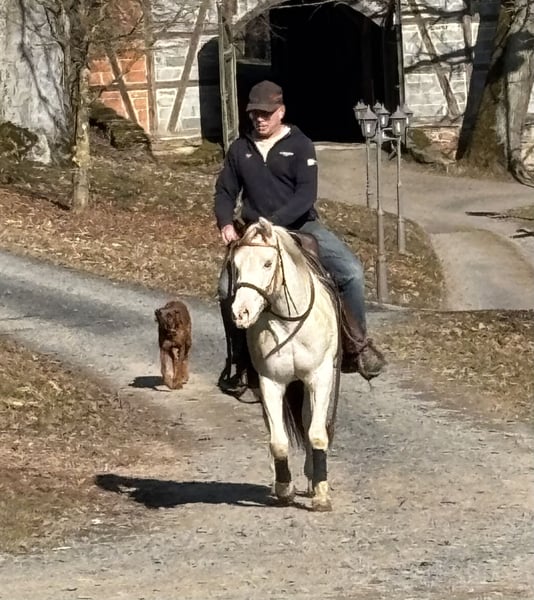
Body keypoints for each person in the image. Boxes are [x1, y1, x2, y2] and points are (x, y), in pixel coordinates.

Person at [214, 80, 385, 396]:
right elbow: (225, 191)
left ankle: (356, 346)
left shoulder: (301, 145)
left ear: (281, 112)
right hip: (255, 235)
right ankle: (239, 359)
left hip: (301, 226)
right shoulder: (240, 149)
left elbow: (306, 195)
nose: (260, 119)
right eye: (254, 114)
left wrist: (273, 223)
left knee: (351, 272)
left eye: (266, 113)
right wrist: (225, 222)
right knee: (226, 288)